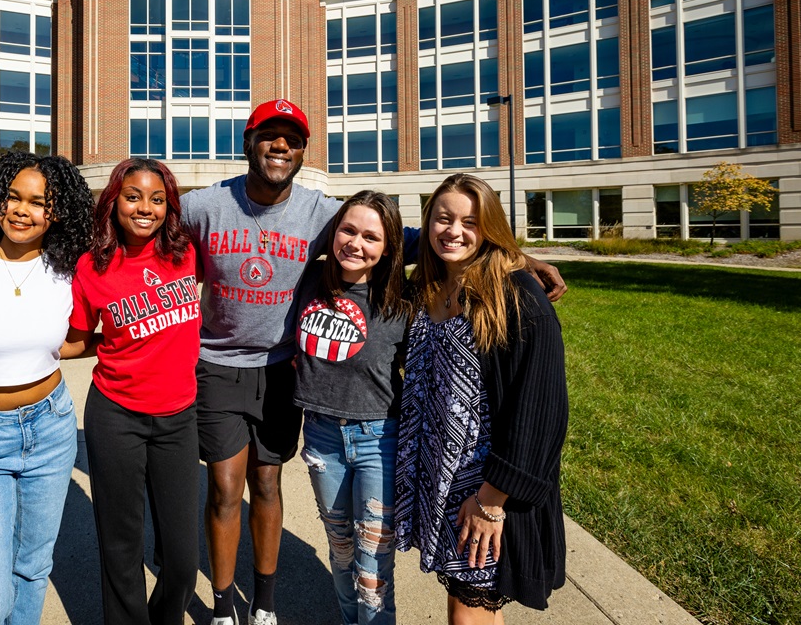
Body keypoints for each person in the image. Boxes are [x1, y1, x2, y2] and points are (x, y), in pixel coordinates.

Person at [180, 99, 567, 625]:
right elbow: (149, 233)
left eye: (291, 138)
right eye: (269, 135)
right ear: (248, 142)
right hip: (283, 410)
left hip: (362, 427)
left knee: (366, 558)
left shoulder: (363, 256)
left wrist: (521, 259)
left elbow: (431, 240)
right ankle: (248, 609)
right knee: (320, 539)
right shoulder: (219, 214)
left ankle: (313, 612)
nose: (280, 146)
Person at [394, 174, 568, 624]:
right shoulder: (425, 288)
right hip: (437, 477)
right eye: (443, 218)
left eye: (470, 222)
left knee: (467, 613)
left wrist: (492, 501)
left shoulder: (516, 296)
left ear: (489, 229)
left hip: (484, 486)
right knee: (470, 607)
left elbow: (541, 409)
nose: (454, 231)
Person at [0, 150, 93, 625]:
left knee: (31, 571)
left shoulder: (68, 272)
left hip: (50, 429)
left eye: (38, 202)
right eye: (13, 197)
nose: (22, 210)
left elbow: (78, 340)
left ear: (57, 212)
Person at [63, 158, 202, 625]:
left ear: (169, 206)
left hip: (178, 417)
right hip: (115, 414)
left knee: (183, 560)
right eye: (134, 196)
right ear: (113, 201)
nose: (146, 207)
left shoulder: (185, 252)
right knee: (120, 547)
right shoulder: (92, 266)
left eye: (157, 199)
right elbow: (79, 339)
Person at [293, 191, 412, 625]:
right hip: (322, 436)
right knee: (341, 549)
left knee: (373, 561)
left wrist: (524, 265)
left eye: (370, 236)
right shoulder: (309, 280)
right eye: (348, 229)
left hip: (379, 438)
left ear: (388, 247)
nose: (355, 244)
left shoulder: (402, 299)